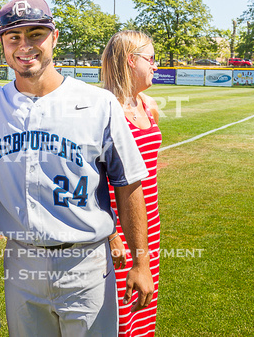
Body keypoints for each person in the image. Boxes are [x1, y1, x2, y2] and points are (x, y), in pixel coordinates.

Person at [0, 0, 154, 336]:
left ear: (55, 38)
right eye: (14, 37)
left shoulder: (98, 103)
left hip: (86, 262)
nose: (25, 46)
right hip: (21, 261)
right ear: (2, 43)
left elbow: (129, 184)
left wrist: (141, 261)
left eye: (36, 34)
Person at [102, 30, 162, 337]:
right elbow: (89, 181)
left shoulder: (148, 104)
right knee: (119, 318)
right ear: (130, 60)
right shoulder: (103, 108)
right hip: (115, 231)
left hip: (148, 225)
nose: (156, 65)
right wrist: (111, 234)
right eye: (151, 58)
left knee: (143, 310)